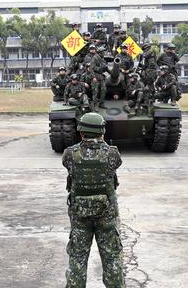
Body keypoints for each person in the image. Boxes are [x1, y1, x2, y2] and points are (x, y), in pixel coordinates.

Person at [62, 112, 125, 288]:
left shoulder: (70, 154)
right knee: (112, 258)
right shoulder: (112, 154)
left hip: (79, 215)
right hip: (107, 215)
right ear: (102, 131)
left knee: (77, 259)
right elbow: (115, 162)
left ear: (81, 131)